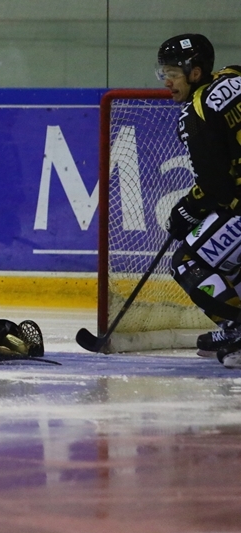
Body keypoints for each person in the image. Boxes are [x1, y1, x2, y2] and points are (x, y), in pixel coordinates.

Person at [157, 34, 241, 369]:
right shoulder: (235, 75)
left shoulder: (196, 113)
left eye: (173, 73)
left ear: (195, 73)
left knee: (186, 260)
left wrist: (185, 210)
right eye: (163, 73)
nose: (167, 81)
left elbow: (215, 187)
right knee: (231, 261)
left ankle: (236, 327)